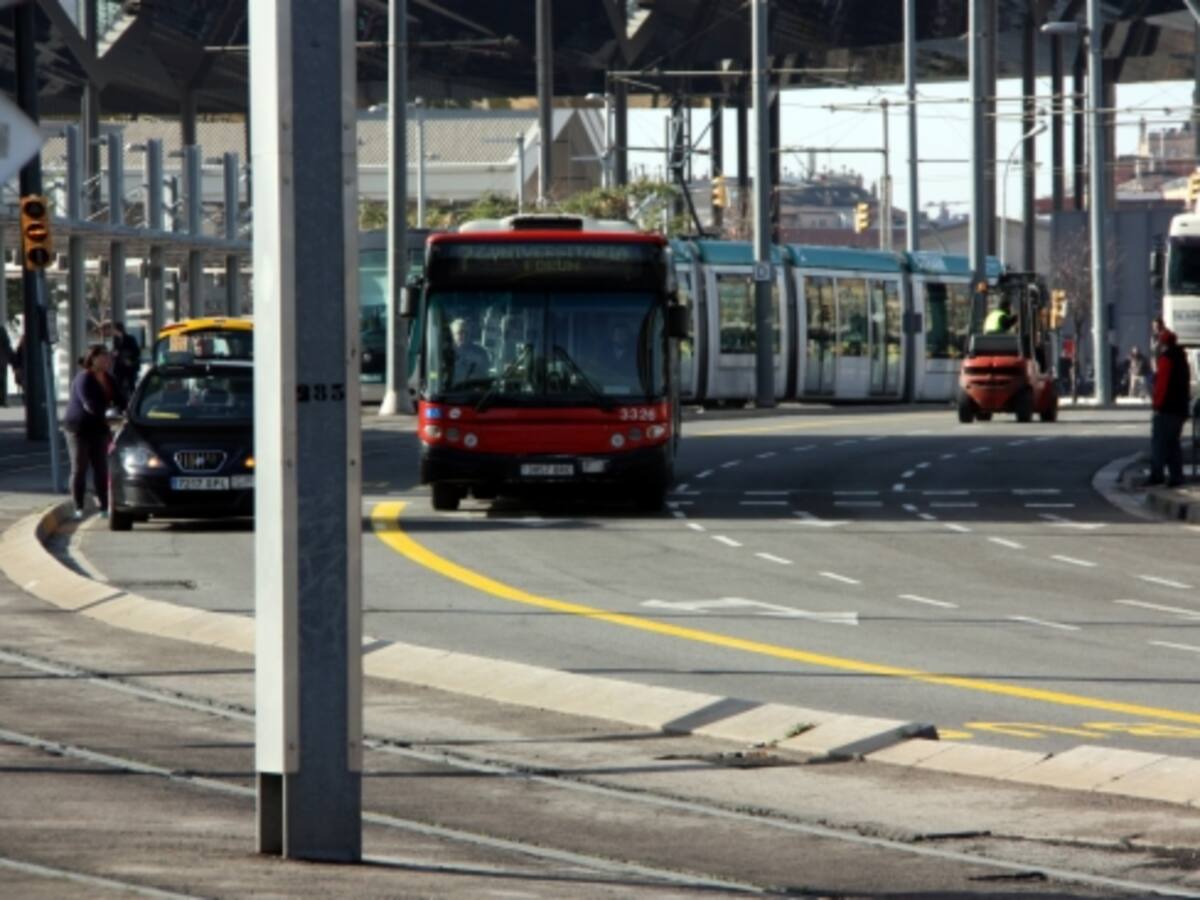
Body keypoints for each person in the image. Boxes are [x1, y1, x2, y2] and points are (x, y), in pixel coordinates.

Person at [62, 345, 126, 519]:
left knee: (101, 468)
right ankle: (78, 507)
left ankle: (104, 507)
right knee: (79, 467)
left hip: (99, 429)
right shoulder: (83, 378)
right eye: (103, 358)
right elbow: (90, 405)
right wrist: (111, 419)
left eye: (108, 358)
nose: (107, 361)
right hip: (79, 428)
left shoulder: (108, 378)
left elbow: (121, 399)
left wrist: (127, 413)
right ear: (93, 358)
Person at [1147, 317, 1191, 488]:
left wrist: (1156, 405)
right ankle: (1176, 476)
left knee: (1159, 443)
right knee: (1173, 444)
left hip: (1166, 409)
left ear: (1163, 344)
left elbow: (1162, 386)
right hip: (1179, 409)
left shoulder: (1166, 360)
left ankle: (1157, 475)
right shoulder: (1182, 359)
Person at [449, 317, 491, 384]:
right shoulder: (446, 353)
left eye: (466, 332)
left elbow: (485, 375)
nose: (464, 335)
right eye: (460, 332)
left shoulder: (480, 352)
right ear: (452, 335)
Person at [110, 321, 140, 397]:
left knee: (131, 385)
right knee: (118, 384)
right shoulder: (115, 340)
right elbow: (115, 351)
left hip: (129, 366)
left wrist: (130, 360)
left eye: (113, 330)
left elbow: (136, 351)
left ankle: (133, 400)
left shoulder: (130, 339)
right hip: (119, 366)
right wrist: (114, 354)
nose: (112, 332)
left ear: (117, 330)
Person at [0, 325, 12, 407]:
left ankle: (3, 400)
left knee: (2, 380)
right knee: (2, 381)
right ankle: (2, 400)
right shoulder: (1, 330)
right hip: (2, 360)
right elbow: (7, 344)